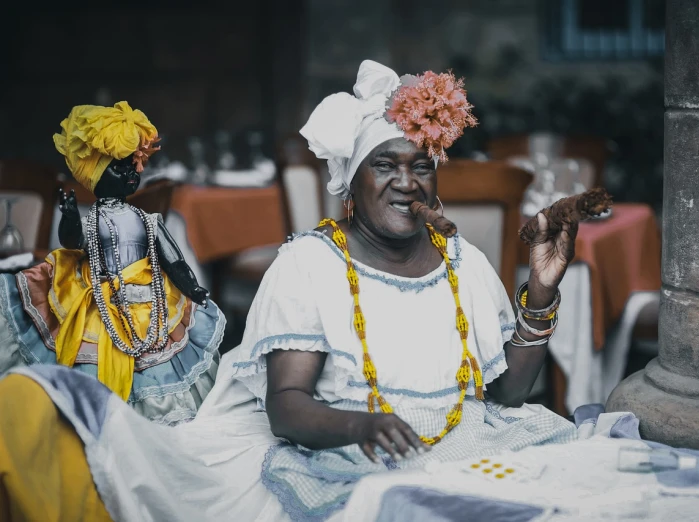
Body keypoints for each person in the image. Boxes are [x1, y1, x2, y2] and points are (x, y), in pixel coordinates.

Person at [0, 61, 577, 521]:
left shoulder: (463, 263)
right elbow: (287, 406)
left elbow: (506, 397)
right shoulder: (310, 265)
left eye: (421, 166)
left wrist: (543, 292)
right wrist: (361, 426)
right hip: (344, 458)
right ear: (352, 183)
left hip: (463, 447)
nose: (407, 182)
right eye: (385, 165)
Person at [0, 102, 224, 425]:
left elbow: (172, 258)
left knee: (152, 367)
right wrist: (69, 216)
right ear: (94, 172)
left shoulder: (148, 220)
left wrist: (193, 287)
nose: (132, 174)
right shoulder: (93, 221)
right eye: (120, 167)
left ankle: (145, 422)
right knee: (88, 361)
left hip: (147, 306)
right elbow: (73, 243)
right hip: (101, 304)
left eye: (135, 166)